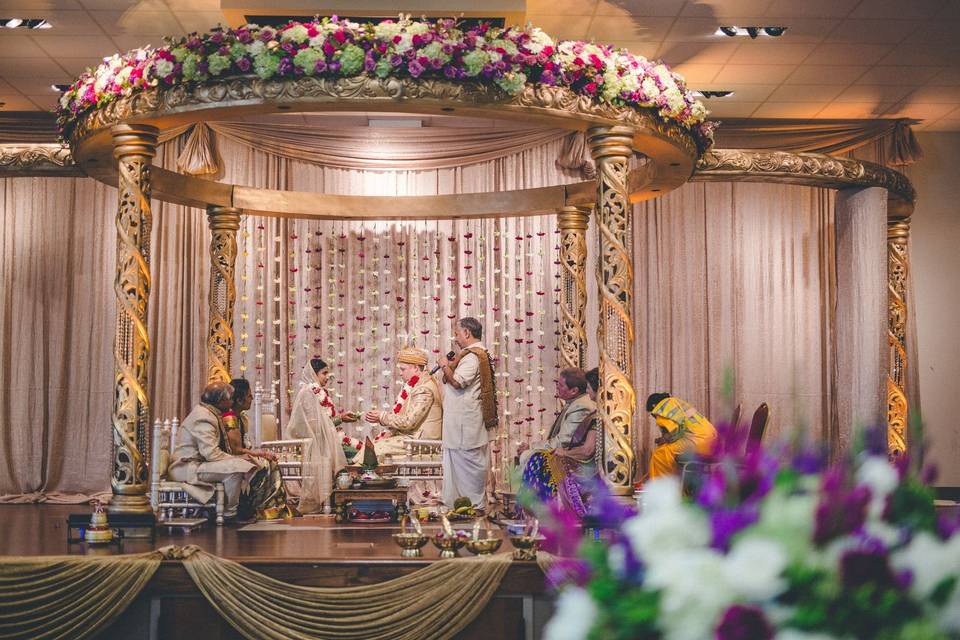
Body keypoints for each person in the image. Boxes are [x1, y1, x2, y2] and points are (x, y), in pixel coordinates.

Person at [361, 345, 443, 504]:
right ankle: (376, 499)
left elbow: (409, 422)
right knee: (371, 448)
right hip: (414, 437)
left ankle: (375, 499)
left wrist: (382, 416)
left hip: (421, 441)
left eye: (403, 369)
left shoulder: (424, 389)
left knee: (375, 450)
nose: (400, 372)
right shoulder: (420, 385)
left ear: (416, 368)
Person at [167, 381, 257, 521]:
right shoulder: (203, 417)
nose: (233, 402)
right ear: (221, 401)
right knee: (236, 468)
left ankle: (240, 507)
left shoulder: (211, 413)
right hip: (187, 468)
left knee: (243, 464)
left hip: (198, 464)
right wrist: (237, 460)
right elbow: (211, 454)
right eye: (230, 399)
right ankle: (230, 514)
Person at [521, 367, 600, 517]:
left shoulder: (587, 409)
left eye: (589, 388)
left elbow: (586, 450)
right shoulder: (589, 408)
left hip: (586, 466)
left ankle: (544, 514)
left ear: (574, 390)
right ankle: (534, 512)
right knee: (538, 459)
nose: (587, 392)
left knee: (539, 460)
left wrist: (565, 452)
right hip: (580, 458)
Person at [436, 317, 497, 511]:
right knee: (462, 462)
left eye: (457, 333)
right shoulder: (476, 354)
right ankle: (460, 505)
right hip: (462, 421)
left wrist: (445, 365)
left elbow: (457, 382)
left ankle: (473, 505)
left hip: (465, 423)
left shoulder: (472, 356)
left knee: (469, 463)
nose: (455, 338)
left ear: (467, 333)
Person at [287, 357, 357, 513]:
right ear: (313, 374)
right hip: (315, 445)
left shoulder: (317, 393)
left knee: (358, 453)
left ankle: (345, 499)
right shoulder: (308, 393)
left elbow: (324, 422)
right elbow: (313, 427)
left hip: (324, 441)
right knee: (357, 456)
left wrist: (341, 418)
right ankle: (343, 499)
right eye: (324, 373)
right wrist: (340, 419)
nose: (327, 377)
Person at [223, 378, 297, 520]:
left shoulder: (241, 417)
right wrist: (260, 453)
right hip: (229, 457)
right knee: (264, 465)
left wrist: (259, 454)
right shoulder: (229, 417)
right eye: (249, 395)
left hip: (240, 454)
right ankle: (258, 506)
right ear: (239, 400)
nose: (251, 398)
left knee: (271, 462)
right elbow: (236, 450)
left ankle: (271, 506)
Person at [516, 368, 596, 471]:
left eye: (561, 385)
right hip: (565, 453)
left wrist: (531, 447)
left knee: (527, 455)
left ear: (574, 391)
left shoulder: (581, 406)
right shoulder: (574, 402)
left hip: (576, 463)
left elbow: (563, 441)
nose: (557, 386)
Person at [646, 392, 718, 479]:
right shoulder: (676, 402)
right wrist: (664, 439)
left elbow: (674, 433)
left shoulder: (662, 407)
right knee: (668, 449)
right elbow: (681, 429)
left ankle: (661, 488)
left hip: (699, 441)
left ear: (654, 406)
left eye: (652, 413)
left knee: (661, 453)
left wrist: (664, 439)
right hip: (713, 442)